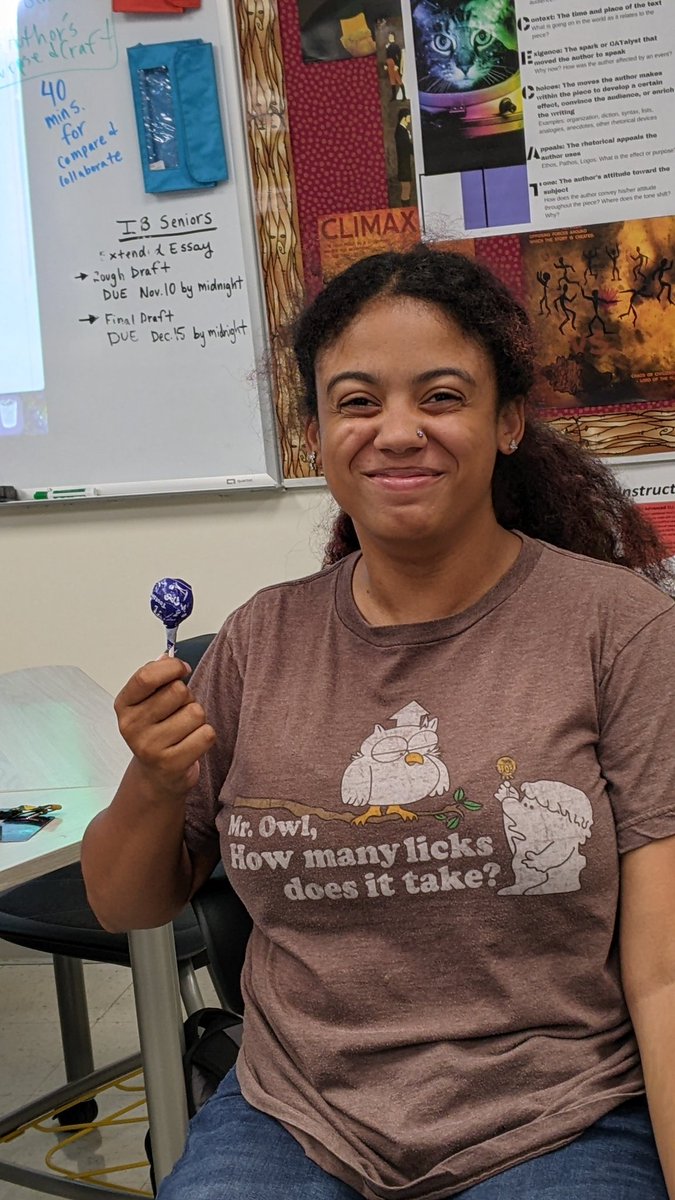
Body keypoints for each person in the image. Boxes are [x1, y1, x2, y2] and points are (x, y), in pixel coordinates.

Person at [81, 247, 675, 1200]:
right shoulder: (256, 640)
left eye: (440, 396)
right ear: (318, 433)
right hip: (294, 1115)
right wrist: (152, 781)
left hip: (554, 1116)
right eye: (357, 402)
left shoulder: (619, 629)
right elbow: (126, 904)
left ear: (508, 421)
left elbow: (664, 974)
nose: (397, 432)